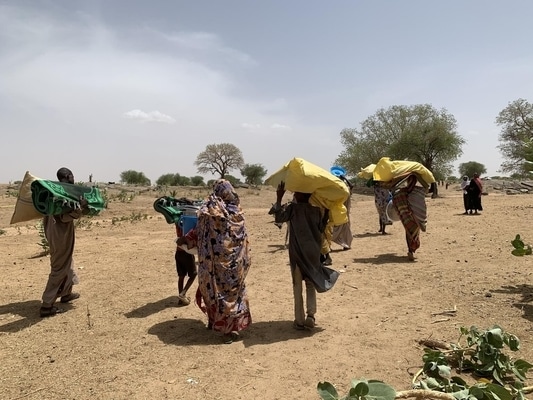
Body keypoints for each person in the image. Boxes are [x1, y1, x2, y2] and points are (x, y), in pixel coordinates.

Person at [178, 180, 251, 344]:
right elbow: (239, 238)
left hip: (209, 266)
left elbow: (197, 231)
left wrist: (187, 239)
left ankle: (213, 323)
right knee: (229, 295)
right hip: (230, 267)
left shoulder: (207, 210)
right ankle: (226, 331)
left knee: (213, 292)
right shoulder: (234, 212)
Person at [269, 181, 339, 331]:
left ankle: (299, 320)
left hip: (297, 253)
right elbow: (321, 228)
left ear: (301, 195)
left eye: (296, 192)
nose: (294, 194)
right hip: (312, 253)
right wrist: (326, 212)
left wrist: (279, 197)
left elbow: (278, 218)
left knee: (297, 285)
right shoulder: (315, 210)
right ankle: (311, 316)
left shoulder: (292, 209)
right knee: (310, 284)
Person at [40, 167, 88, 317]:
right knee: (59, 268)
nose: (74, 178)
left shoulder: (54, 190)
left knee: (68, 264)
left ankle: (66, 293)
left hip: (55, 232)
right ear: (68, 176)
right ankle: (47, 305)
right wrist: (80, 208)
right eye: (72, 176)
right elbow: (63, 217)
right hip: (60, 234)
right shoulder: (61, 192)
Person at [391, 174, 428, 261]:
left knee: (408, 232)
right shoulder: (418, 191)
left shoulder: (402, 191)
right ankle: (411, 250)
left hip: (407, 217)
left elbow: (396, 198)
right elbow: (425, 194)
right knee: (414, 233)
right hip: (417, 217)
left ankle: (410, 250)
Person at [174, 222, 197, 306]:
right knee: (193, 274)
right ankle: (183, 293)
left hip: (178, 253)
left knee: (181, 276)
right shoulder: (188, 226)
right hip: (187, 254)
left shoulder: (178, 224)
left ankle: (181, 299)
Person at [331, 175, 353, 250]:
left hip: (342, 212)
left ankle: (346, 244)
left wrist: (343, 178)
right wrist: (344, 178)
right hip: (340, 212)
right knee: (340, 228)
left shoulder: (342, 189)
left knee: (343, 229)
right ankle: (345, 244)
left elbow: (351, 186)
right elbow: (351, 186)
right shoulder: (343, 190)